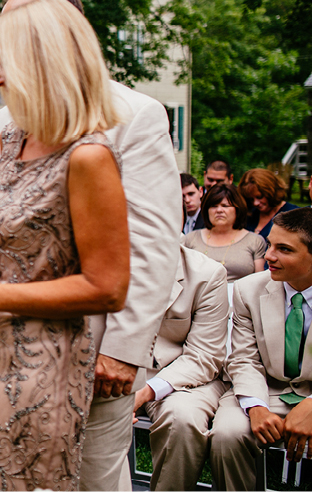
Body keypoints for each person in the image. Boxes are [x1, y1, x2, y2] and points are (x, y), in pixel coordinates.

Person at [0, 0, 181, 491]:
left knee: (87, 477)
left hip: (84, 345)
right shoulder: (9, 122)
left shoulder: (132, 116)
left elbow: (154, 242)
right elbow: (1, 218)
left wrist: (122, 348)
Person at [210, 207, 312, 490]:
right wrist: (256, 406)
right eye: (270, 245)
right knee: (227, 433)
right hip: (267, 389)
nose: (268, 256)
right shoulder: (247, 290)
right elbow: (243, 358)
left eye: (284, 249)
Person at [132, 243, 229, 491]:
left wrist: (146, 392)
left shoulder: (208, 274)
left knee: (183, 419)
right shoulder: (104, 260)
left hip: (183, 377)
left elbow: (204, 355)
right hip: (119, 369)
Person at [184, 184, 267, 282]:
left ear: (237, 209)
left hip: (240, 296)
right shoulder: (190, 239)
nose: (219, 210)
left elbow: (261, 282)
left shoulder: (255, 241)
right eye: (214, 206)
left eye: (225, 206)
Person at [240, 168, 298, 240]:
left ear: (270, 191)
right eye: (251, 199)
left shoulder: (293, 213)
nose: (255, 203)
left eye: (259, 197)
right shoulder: (251, 214)